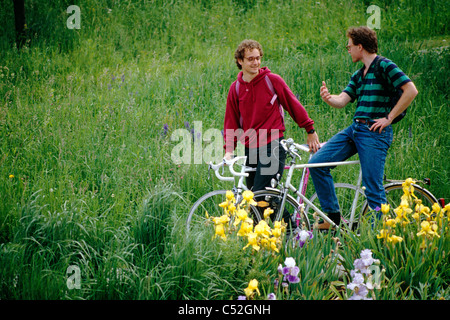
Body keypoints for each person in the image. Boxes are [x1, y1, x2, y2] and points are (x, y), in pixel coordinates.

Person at [309, 26, 418, 230]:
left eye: (349, 46)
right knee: (317, 163)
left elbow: (411, 90)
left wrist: (389, 118)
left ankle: (384, 238)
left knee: (373, 188)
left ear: (360, 46)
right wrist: (328, 98)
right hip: (355, 130)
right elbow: (342, 100)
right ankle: (332, 219)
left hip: (375, 134)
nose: (348, 49)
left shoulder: (385, 65)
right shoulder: (359, 75)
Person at [223, 39, 320, 196]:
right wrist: (229, 150)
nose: (256, 62)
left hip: (272, 145)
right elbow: (231, 122)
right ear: (240, 61)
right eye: (250, 59)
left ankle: (288, 222)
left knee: (261, 197)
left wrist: (310, 129)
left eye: (258, 58)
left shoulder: (272, 80)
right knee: (254, 200)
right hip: (250, 148)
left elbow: (293, 105)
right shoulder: (235, 88)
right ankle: (289, 222)